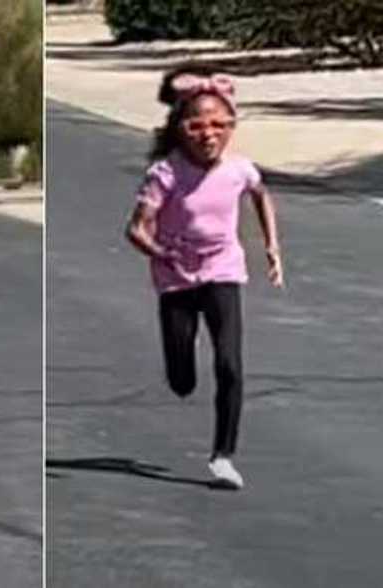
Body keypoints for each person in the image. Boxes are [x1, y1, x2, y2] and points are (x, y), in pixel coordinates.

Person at [124, 72, 284, 489]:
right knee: (182, 382)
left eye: (219, 125)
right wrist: (160, 252)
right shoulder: (166, 174)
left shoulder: (239, 169)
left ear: (231, 127)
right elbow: (136, 229)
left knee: (230, 364)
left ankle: (223, 456)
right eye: (197, 125)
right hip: (175, 277)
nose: (208, 134)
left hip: (222, 270)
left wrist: (272, 247)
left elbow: (261, 194)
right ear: (180, 129)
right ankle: (183, 348)